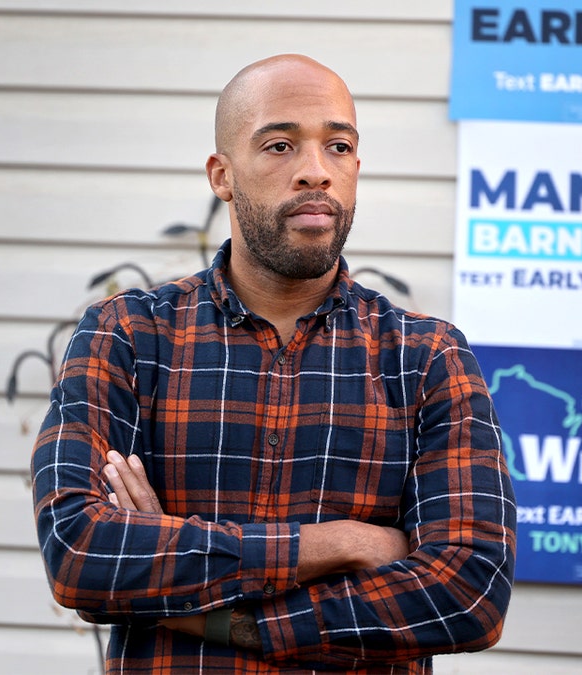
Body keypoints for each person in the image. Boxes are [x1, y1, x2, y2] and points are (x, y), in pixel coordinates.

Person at [31, 53, 516, 673]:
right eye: (281, 146)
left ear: (357, 168)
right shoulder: (129, 336)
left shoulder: (425, 359)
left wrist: (205, 606)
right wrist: (345, 544)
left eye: (338, 147)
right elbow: (81, 554)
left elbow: (470, 594)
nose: (316, 172)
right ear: (221, 175)